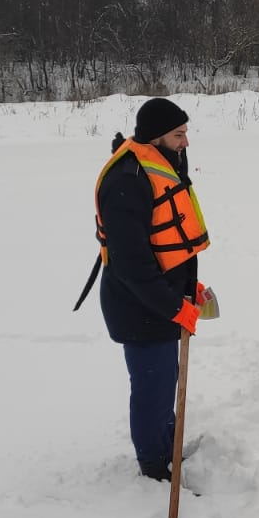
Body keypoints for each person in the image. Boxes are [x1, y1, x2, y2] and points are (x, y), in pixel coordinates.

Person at [76, 97, 210, 482]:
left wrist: (189, 288)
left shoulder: (158, 166)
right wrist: (173, 306)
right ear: (156, 138)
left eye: (186, 133)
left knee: (164, 382)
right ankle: (153, 465)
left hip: (161, 298)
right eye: (178, 134)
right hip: (138, 307)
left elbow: (166, 243)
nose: (185, 142)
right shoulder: (126, 182)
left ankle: (167, 445)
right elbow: (132, 264)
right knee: (152, 389)